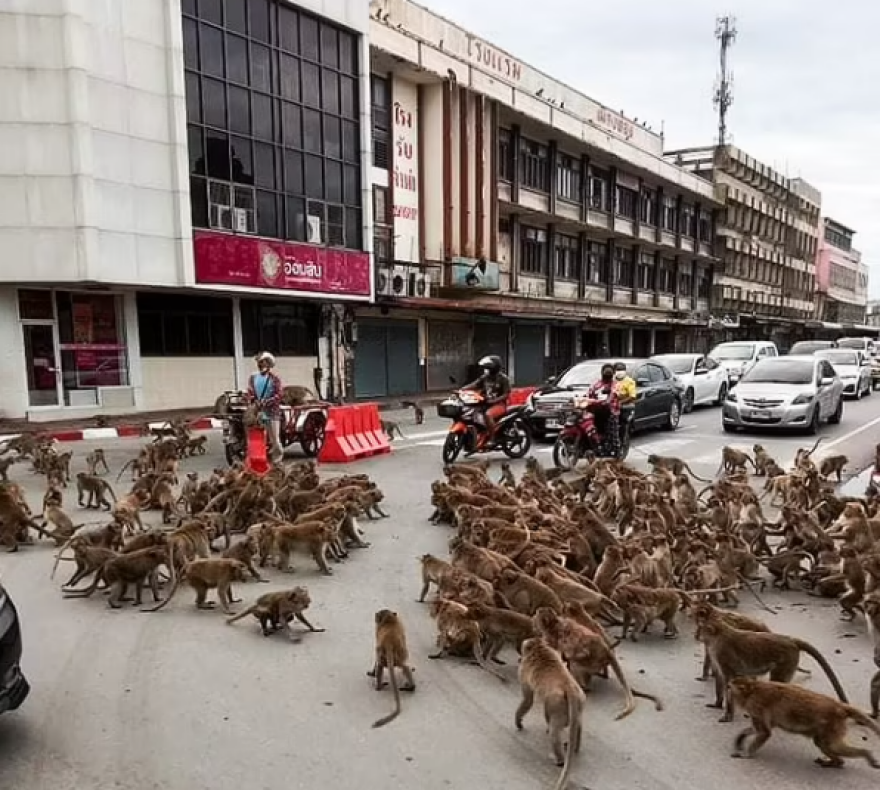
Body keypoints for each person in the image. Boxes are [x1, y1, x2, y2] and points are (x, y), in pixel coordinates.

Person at [462, 354, 511, 449]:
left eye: (488, 367)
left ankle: (493, 439)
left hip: (499, 405)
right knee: (470, 413)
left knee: (488, 415)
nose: (487, 369)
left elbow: (506, 394)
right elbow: (475, 385)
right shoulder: (485, 377)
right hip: (486, 403)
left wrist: (494, 401)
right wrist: (462, 389)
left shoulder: (503, 379)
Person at [246, 351, 284, 465]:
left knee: (274, 438)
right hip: (258, 411)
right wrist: (253, 400)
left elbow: (279, 394)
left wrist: (267, 401)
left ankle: (277, 460)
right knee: (256, 436)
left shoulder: (274, 378)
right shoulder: (253, 377)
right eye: (259, 362)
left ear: (269, 363)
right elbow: (250, 391)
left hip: (272, 412)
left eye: (262, 362)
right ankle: (258, 458)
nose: (260, 364)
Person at [577, 363, 621, 457]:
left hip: (610, 410)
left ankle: (615, 451)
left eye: (609, 372)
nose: (607, 374)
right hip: (596, 409)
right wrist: (583, 399)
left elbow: (613, 395)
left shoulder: (615, 385)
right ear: (602, 373)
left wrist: (607, 401)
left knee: (611, 431)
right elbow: (589, 393)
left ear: (612, 374)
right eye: (606, 372)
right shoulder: (597, 384)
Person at [613, 361, 637, 435]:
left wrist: (620, 402)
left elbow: (632, 396)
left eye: (621, 370)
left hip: (625, 405)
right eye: (618, 370)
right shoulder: (612, 380)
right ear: (614, 371)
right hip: (613, 404)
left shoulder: (629, 381)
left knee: (623, 420)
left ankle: (624, 434)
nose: (620, 372)